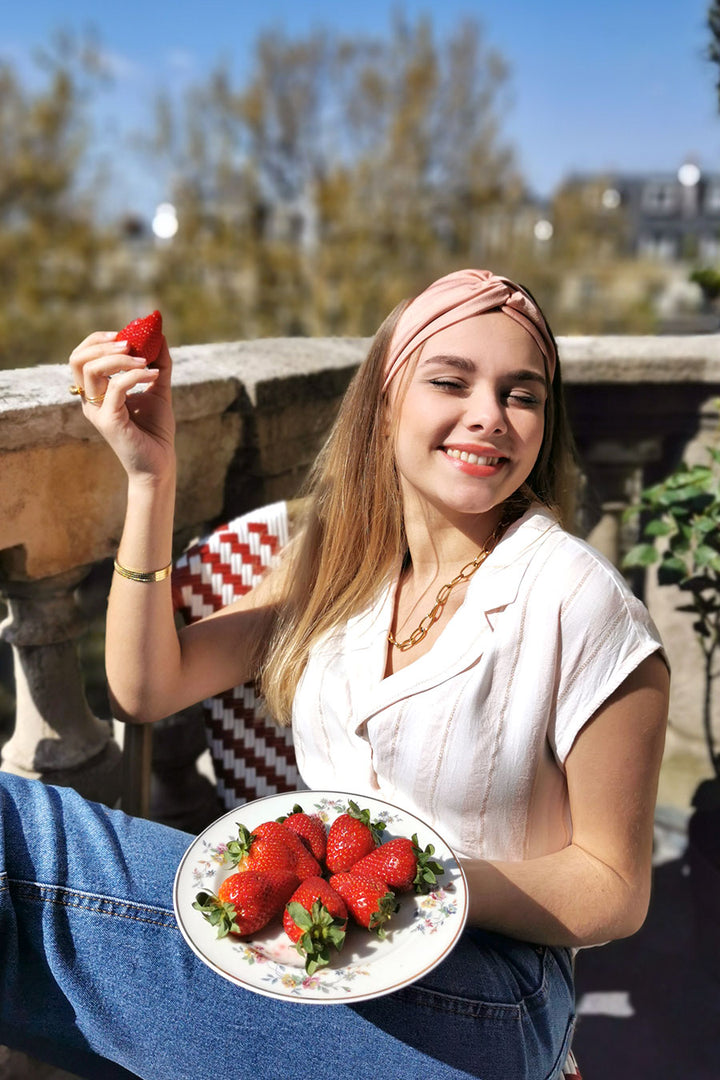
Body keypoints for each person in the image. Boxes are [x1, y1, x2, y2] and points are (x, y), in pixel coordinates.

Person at [0, 270, 668, 1080]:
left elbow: (615, 886)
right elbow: (147, 688)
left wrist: (425, 878)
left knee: (29, 862)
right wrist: (149, 476)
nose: (489, 415)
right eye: (451, 381)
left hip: (498, 987)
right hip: (325, 952)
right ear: (386, 401)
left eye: (520, 395)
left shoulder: (581, 601)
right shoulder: (336, 561)